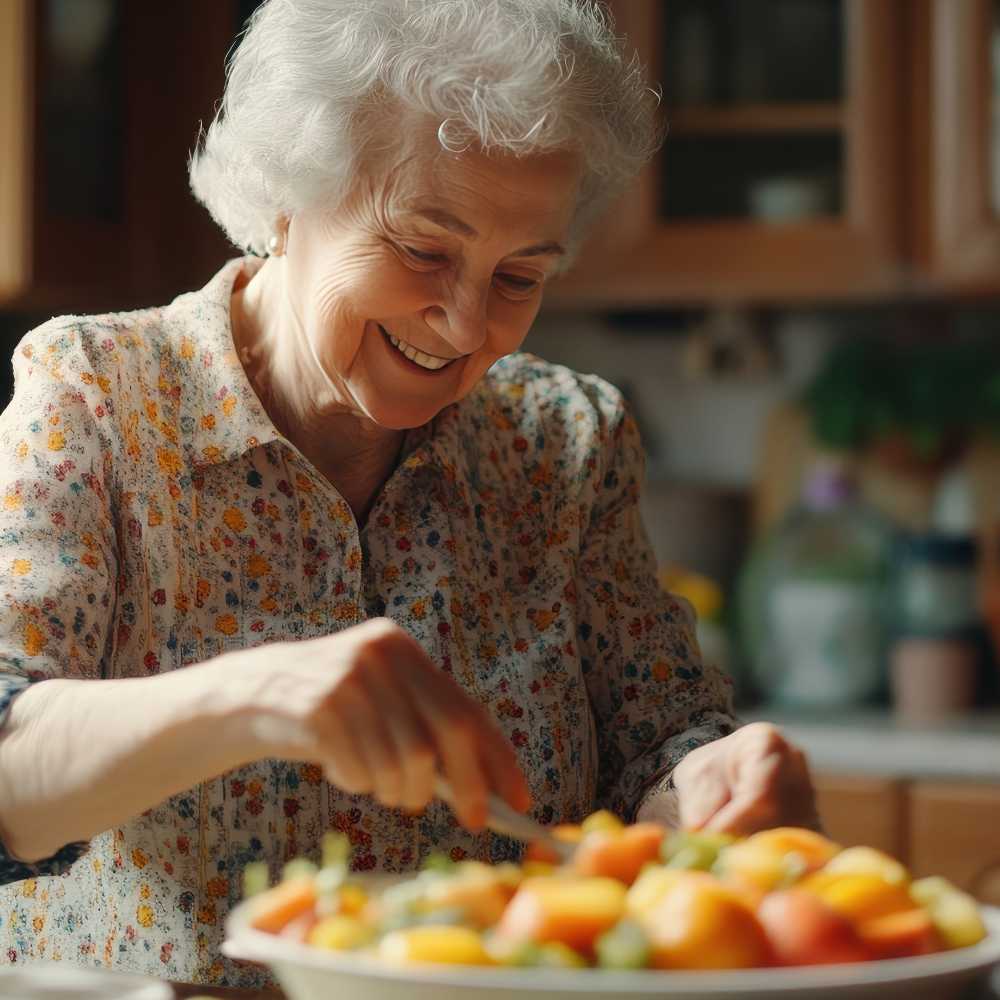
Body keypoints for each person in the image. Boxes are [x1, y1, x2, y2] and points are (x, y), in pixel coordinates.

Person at [0, 0, 817, 987]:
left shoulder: (564, 439)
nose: (466, 322)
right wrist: (254, 694)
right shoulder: (98, 393)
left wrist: (708, 786)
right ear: (287, 199)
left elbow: (656, 749)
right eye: (423, 249)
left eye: (520, 274)